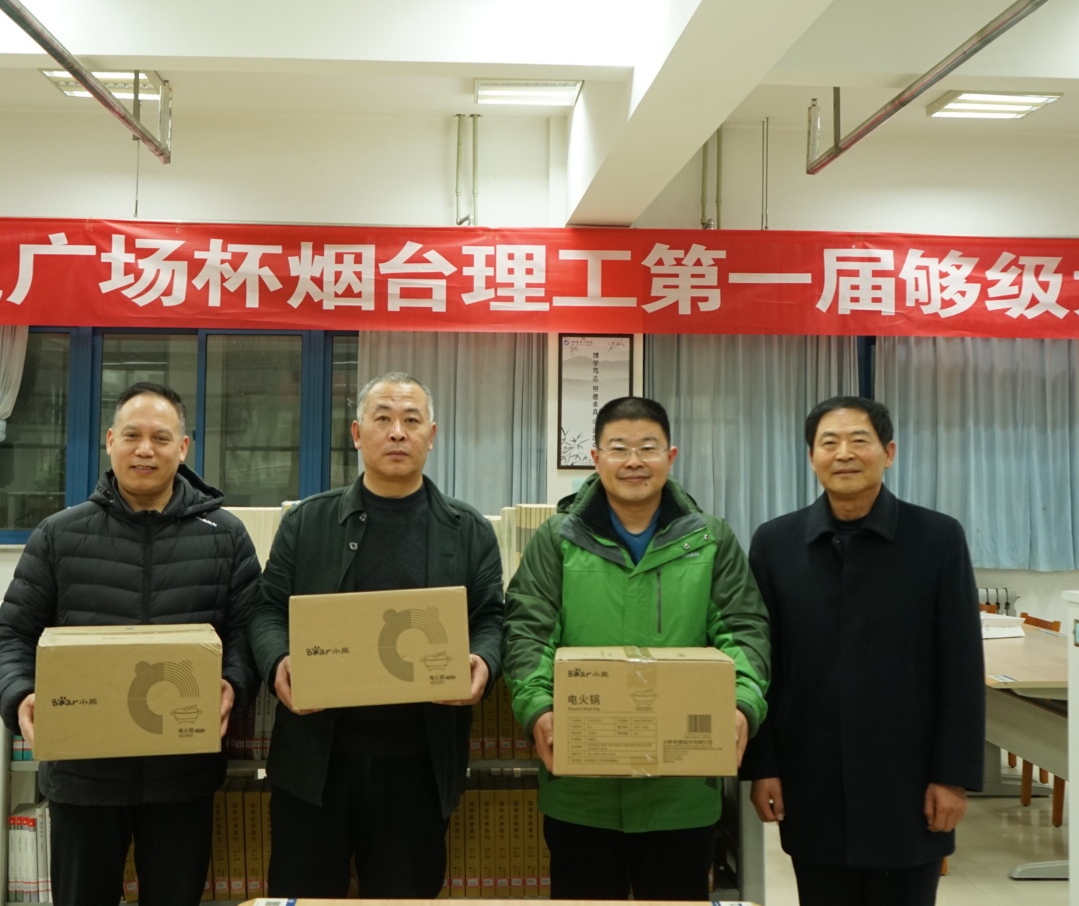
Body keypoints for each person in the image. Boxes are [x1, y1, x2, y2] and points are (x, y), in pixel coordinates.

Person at [0, 381, 262, 906]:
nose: (145, 450)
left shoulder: (224, 536)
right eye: (132, 435)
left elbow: (248, 631)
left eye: (161, 438)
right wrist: (19, 695)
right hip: (83, 774)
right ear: (110, 441)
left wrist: (233, 683)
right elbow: (11, 635)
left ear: (183, 448)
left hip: (182, 773)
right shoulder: (59, 535)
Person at [503, 395, 771, 901]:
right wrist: (537, 707)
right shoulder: (558, 539)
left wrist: (742, 705)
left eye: (648, 448)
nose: (633, 461)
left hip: (681, 788)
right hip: (581, 788)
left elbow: (744, 630)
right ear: (595, 458)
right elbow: (527, 631)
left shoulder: (710, 540)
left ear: (670, 457)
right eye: (618, 448)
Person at [248, 371, 503, 898]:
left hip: (420, 764)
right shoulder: (308, 522)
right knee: (304, 895)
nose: (397, 432)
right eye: (382, 419)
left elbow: (491, 618)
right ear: (357, 433)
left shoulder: (468, 530)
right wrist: (278, 663)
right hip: (315, 760)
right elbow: (267, 609)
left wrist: (483, 660)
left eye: (411, 420)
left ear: (432, 435)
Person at [743, 395, 985, 906]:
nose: (844, 454)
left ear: (888, 452)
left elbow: (961, 666)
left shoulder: (938, 538)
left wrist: (952, 776)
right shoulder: (775, 543)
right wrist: (764, 766)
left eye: (860, 440)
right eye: (829, 442)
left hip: (908, 781)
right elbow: (763, 665)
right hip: (812, 778)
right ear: (812, 456)